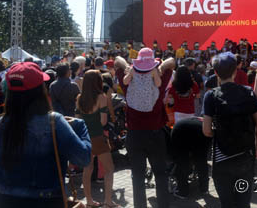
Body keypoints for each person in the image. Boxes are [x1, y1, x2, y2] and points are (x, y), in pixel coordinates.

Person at [0, 62, 91, 208]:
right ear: (40, 90)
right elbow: (83, 158)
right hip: (46, 201)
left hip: (6, 201)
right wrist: (80, 127)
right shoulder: (54, 122)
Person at [203, 52, 257, 208]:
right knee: (243, 202)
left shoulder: (211, 96)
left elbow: (206, 131)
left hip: (222, 157)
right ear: (235, 71)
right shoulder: (248, 93)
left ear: (216, 72)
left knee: (227, 203)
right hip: (246, 156)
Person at [123, 48, 174, 208]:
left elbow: (118, 61)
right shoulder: (158, 76)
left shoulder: (130, 76)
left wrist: (127, 67)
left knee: (137, 176)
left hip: (134, 135)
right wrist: (157, 68)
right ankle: (163, 205)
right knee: (160, 173)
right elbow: (171, 61)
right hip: (155, 135)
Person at [77, 70, 119, 208]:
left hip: (85, 138)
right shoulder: (101, 97)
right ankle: (108, 201)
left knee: (87, 169)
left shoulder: (79, 98)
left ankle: (89, 201)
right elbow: (103, 121)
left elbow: (78, 120)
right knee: (109, 169)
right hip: (98, 137)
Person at [170, 117, 211, 199]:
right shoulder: (207, 123)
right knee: (201, 161)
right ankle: (204, 189)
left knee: (182, 162)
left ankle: (182, 192)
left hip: (180, 131)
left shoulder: (199, 119)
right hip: (201, 131)